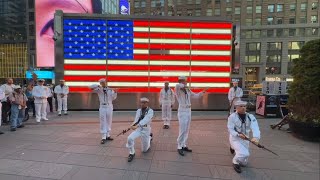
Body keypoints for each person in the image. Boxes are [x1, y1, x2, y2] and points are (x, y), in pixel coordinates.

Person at [175, 76, 208, 156]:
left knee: (187, 129)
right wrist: (187, 86)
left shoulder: (188, 89)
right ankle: (179, 146)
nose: (186, 82)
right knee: (182, 129)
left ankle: (184, 145)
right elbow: (178, 85)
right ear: (182, 81)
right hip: (182, 111)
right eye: (185, 81)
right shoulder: (178, 88)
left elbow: (195, 96)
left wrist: (202, 92)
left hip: (188, 111)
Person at [227, 101, 260, 173]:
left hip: (246, 138)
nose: (243, 108)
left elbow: (255, 127)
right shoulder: (232, 117)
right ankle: (235, 162)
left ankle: (233, 147)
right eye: (241, 106)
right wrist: (238, 134)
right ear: (236, 107)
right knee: (244, 154)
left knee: (244, 162)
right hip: (235, 138)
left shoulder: (250, 116)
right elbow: (230, 129)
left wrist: (256, 137)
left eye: (244, 106)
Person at [89, 78, 117, 144]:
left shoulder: (110, 89)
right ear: (100, 83)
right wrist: (98, 86)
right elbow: (90, 87)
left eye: (104, 82)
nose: (103, 83)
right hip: (102, 106)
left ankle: (108, 135)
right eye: (102, 82)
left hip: (109, 106)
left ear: (106, 82)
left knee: (109, 120)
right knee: (103, 121)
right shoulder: (99, 89)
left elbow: (113, 98)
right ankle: (103, 137)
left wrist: (115, 92)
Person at [126, 97, 154, 162]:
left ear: (147, 103)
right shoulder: (138, 111)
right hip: (138, 129)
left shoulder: (150, 111)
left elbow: (145, 120)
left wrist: (137, 125)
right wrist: (133, 125)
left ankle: (149, 138)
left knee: (144, 150)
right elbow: (136, 119)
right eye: (141, 102)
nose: (142, 104)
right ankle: (131, 152)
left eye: (144, 103)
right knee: (129, 138)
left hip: (146, 130)